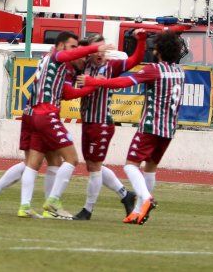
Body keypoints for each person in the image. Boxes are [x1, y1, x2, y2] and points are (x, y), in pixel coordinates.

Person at [79, 31, 185, 225]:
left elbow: (125, 81)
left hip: (150, 126)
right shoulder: (180, 71)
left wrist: (94, 81)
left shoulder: (154, 69)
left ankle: (146, 198)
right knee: (150, 169)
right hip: (169, 129)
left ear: (159, 50)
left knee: (130, 165)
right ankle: (137, 212)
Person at [16, 32, 113, 220]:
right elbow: (69, 64)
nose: (75, 51)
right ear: (60, 46)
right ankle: (53, 202)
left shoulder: (50, 59)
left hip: (35, 113)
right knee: (72, 159)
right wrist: (96, 48)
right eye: (72, 46)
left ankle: (24, 206)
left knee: (33, 163)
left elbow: (67, 87)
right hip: (46, 113)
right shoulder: (57, 56)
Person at [71, 30, 146, 221]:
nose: (100, 53)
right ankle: (125, 195)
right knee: (92, 166)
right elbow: (72, 54)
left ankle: (87, 210)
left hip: (102, 123)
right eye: (97, 49)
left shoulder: (112, 66)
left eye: (103, 49)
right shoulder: (84, 64)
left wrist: (141, 40)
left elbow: (136, 59)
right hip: (88, 121)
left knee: (95, 167)